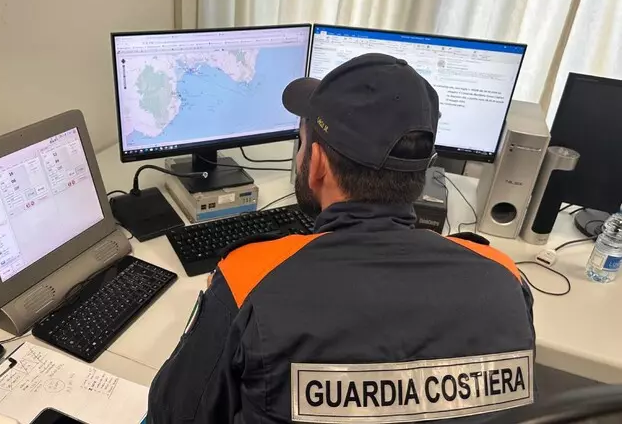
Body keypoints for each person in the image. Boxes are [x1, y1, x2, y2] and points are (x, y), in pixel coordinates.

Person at [146, 53, 536, 423]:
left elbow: (173, 414)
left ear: (316, 164)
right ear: (421, 173)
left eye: (302, 143)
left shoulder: (249, 278)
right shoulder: (505, 278)